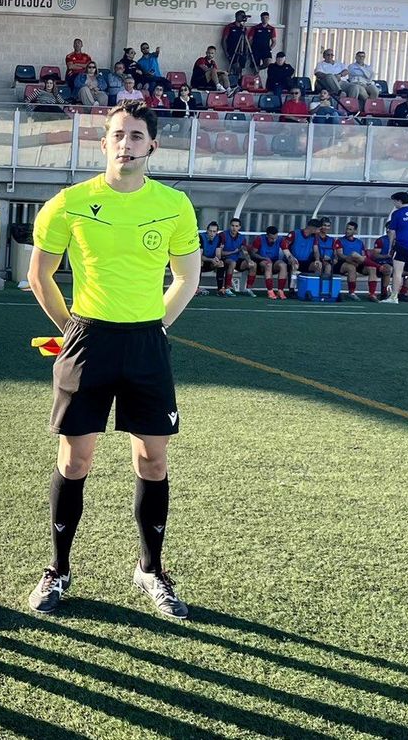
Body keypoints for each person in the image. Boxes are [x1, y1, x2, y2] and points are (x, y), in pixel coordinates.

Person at [27, 99, 201, 620]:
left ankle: (151, 569)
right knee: (75, 459)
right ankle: (58, 570)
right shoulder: (70, 202)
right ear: (103, 142)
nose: (126, 144)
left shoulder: (174, 204)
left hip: (146, 344)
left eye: (136, 135)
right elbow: (40, 275)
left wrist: (157, 325)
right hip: (88, 341)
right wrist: (71, 330)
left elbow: (186, 277)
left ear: (153, 145)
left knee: (153, 457)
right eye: (118, 134)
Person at [380, 191, 408, 305]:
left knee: (397, 272)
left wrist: (390, 246)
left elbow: (392, 231)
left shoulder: (397, 214)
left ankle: (394, 296)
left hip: (402, 245)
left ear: (399, 201)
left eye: (394, 201)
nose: (394, 204)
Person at [283, 219, 326, 290]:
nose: (319, 231)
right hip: (293, 261)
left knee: (318, 266)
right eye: (319, 229)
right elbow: (284, 246)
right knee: (294, 265)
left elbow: (316, 250)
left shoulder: (314, 237)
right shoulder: (294, 234)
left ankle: (313, 289)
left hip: (306, 261)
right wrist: (291, 258)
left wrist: (317, 260)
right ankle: (292, 290)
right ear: (313, 228)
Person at [332, 222, 370, 300]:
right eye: (347, 229)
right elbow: (340, 255)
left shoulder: (359, 242)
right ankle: (351, 292)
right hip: (343, 263)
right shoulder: (340, 241)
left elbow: (363, 255)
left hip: (358, 263)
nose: (347, 231)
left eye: (350, 229)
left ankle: (373, 293)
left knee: (372, 269)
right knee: (351, 267)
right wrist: (350, 260)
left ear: (355, 231)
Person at [250, 225, 288, 299]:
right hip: (262, 262)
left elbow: (287, 252)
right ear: (267, 235)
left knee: (283, 265)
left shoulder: (280, 239)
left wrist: (292, 259)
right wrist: (264, 258)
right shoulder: (259, 239)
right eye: (271, 238)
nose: (274, 240)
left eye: (275, 238)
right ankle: (270, 291)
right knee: (268, 264)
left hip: (274, 262)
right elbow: (253, 253)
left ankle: (280, 291)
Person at [218, 217, 252, 296]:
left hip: (237, 260)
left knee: (253, 265)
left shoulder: (242, 238)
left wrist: (249, 260)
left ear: (239, 227)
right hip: (225, 259)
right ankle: (227, 288)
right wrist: (233, 252)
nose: (234, 228)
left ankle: (248, 289)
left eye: (236, 226)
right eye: (233, 225)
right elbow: (220, 253)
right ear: (230, 226)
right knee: (232, 263)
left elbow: (244, 251)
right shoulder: (222, 235)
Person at [199, 221, 229, 296]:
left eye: (214, 231)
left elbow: (218, 253)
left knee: (221, 263)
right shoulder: (201, 237)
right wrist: (211, 259)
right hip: (201, 262)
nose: (212, 233)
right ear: (207, 231)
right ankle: (196, 288)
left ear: (217, 232)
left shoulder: (218, 238)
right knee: (199, 262)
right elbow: (199, 256)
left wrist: (217, 259)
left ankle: (220, 289)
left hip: (211, 262)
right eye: (210, 231)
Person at [221, 10, 253, 75]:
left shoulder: (243, 28)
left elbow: (246, 41)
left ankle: (238, 82)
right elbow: (224, 40)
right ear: (237, 16)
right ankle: (233, 82)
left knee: (240, 68)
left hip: (242, 51)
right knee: (235, 67)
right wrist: (226, 53)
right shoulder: (230, 26)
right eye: (241, 16)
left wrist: (246, 52)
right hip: (232, 50)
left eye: (243, 16)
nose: (242, 17)